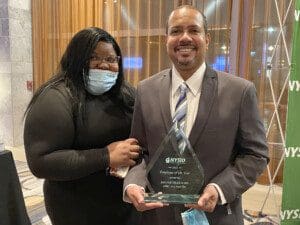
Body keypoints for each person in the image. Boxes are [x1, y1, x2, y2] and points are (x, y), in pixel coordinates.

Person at [123, 5, 269, 225]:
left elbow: (256, 155)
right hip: (158, 217)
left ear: (207, 39)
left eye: (194, 30)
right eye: (175, 31)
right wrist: (133, 183)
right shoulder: (146, 89)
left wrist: (219, 188)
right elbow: (140, 150)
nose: (184, 38)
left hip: (216, 217)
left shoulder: (239, 92)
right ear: (166, 39)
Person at [23, 27, 141, 225]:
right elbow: (41, 162)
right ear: (77, 59)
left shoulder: (126, 92)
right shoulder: (55, 98)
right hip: (77, 210)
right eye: (94, 58)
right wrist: (105, 156)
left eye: (111, 59)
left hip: (124, 203)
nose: (104, 65)